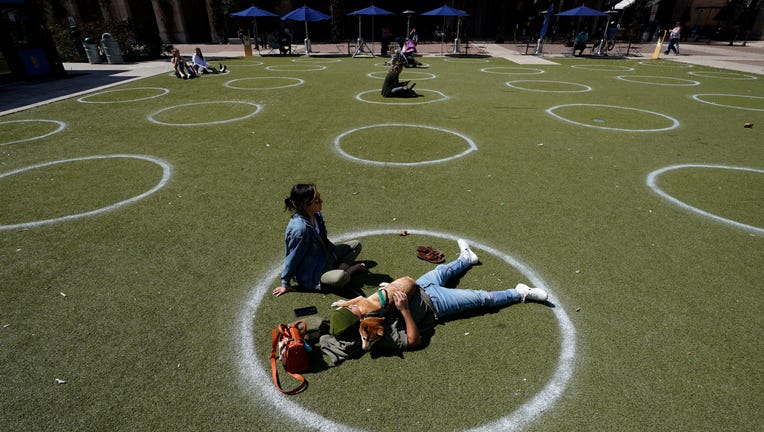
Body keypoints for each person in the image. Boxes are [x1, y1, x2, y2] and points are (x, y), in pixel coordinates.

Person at [321, 239, 548, 364]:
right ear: (359, 323)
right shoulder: (378, 335)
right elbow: (414, 341)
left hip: (419, 286)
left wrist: (389, 290)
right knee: (481, 298)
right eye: (354, 311)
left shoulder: (362, 310)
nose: (354, 308)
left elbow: (360, 300)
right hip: (435, 304)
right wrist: (404, 311)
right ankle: (520, 293)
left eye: (352, 308)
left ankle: (467, 258)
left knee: (443, 269)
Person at [272, 184, 366, 297]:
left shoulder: (316, 215)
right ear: (305, 205)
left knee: (356, 245)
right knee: (340, 278)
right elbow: (293, 257)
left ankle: (337, 270)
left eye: (319, 197)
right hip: (313, 272)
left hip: (326, 256)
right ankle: (349, 270)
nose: (321, 201)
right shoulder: (300, 230)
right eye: (316, 200)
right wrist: (285, 283)